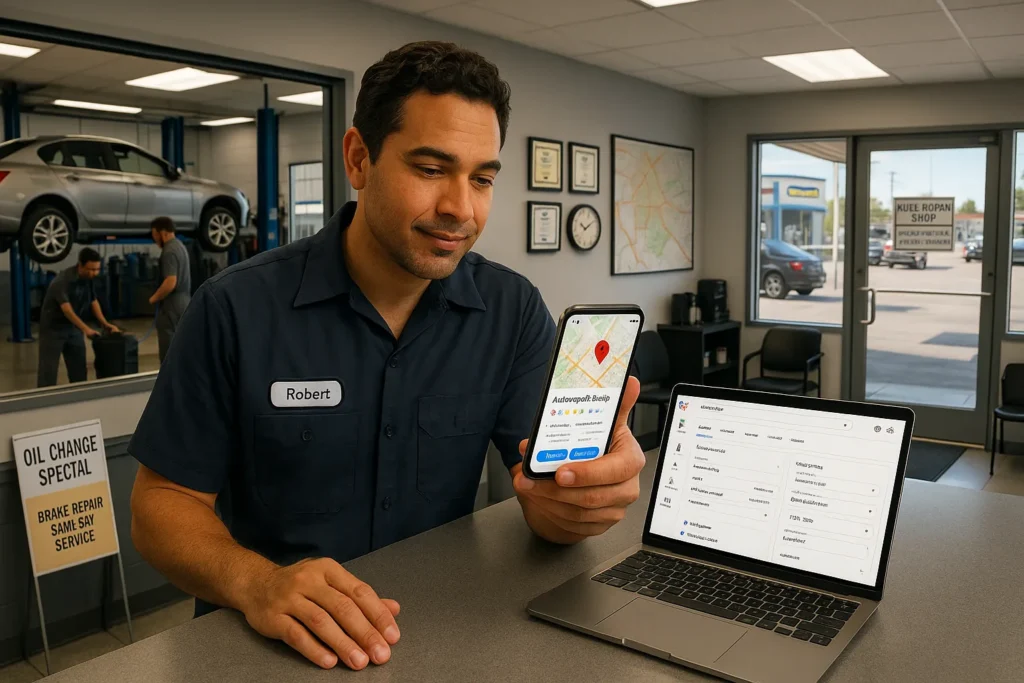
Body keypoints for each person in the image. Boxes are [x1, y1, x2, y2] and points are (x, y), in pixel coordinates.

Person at [128, 41, 645, 673]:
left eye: (482, 178)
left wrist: (577, 502)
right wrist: (256, 582)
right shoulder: (234, 310)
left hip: (441, 643)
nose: (461, 207)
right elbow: (160, 508)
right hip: (264, 651)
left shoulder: (511, 312)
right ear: (358, 158)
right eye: (431, 169)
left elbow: (542, 497)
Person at [37, 247, 120, 387]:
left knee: (79, 371)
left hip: (73, 328)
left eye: (97, 269)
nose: (95, 273)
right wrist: (86, 329)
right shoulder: (62, 281)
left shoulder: (89, 278)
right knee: (48, 372)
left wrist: (105, 323)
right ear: (80, 265)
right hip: (53, 330)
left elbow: (93, 301)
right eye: (91, 269)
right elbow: (67, 310)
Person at [148, 216, 191, 363]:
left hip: (172, 306)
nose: (154, 238)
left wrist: (154, 298)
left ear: (163, 232)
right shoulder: (180, 246)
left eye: (155, 234)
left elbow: (170, 281)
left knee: (168, 353)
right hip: (185, 303)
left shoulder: (168, 251)